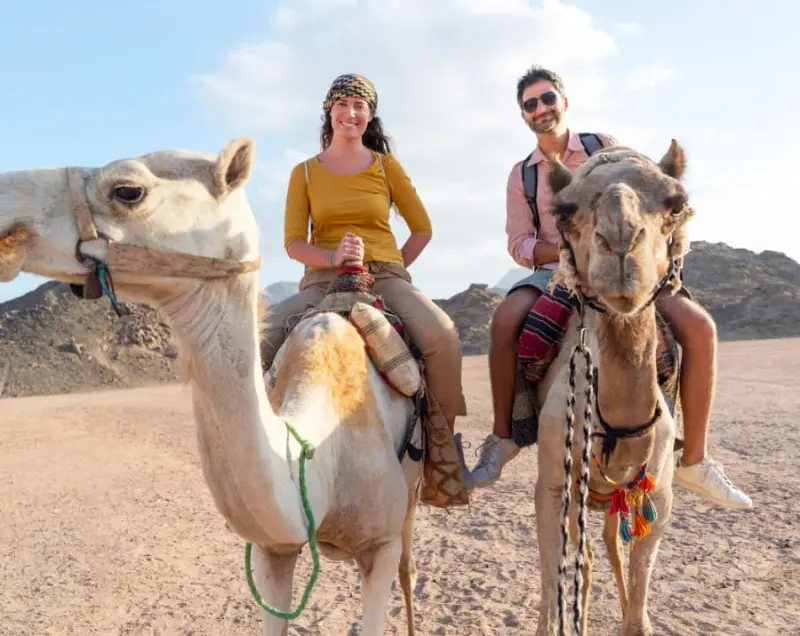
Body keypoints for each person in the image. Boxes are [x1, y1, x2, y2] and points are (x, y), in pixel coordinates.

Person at [469, 66, 752, 511]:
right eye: (530, 104)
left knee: (699, 329)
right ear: (523, 115)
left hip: (626, 263)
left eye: (547, 99)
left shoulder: (608, 148)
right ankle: (503, 438)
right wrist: (570, 247)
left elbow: (651, 198)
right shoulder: (523, 175)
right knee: (505, 319)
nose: (540, 109)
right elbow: (519, 243)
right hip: (560, 268)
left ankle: (694, 459)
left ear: (563, 102)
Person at [260, 71, 468, 461]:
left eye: (360, 106)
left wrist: (388, 269)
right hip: (323, 281)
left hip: (384, 277)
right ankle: (256, 450)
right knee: (256, 341)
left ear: (369, 116)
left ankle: (443, 447)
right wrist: (332, 258)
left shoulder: (387, 167)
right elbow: (292, 243)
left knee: (443, 335)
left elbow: (422, 229)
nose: (350, 113)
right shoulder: (303, 173)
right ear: (329, 111)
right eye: (342, 104)